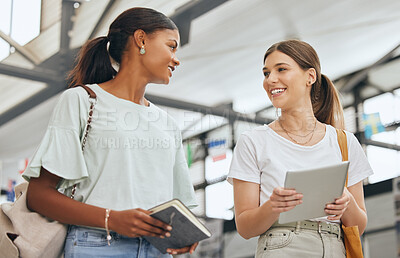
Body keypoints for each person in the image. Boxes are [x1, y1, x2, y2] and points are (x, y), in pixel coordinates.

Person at [23, 7, 198, 257]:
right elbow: (38, 195)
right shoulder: (82, 100)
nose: (176, 58)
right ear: (141, 39)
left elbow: (179, 203)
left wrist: (184, 234)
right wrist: (111, 219)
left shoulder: (167, 123)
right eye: (171, 46)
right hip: (96, 245)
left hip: (157, 251)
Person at [227, 39, 373, 257]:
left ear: (310, 76)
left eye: (281, 69)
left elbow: (358, 226)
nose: (270, 80)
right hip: (281, 247)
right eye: (266, 73)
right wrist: (273, 206)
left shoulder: (345, 142)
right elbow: (245, 227)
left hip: (335, 247)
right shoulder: (253, 142)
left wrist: (347, 203)